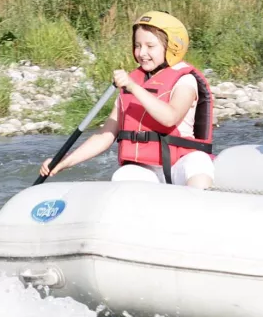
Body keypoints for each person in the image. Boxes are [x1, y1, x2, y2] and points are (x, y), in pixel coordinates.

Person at [39, 11, 215, 188]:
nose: (141, 53)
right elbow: (105, 136)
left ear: (172, 47)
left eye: (150, 46)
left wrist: (133, 87)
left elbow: (170, 117)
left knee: (198, 161)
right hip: (147, 170)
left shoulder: (185, 80)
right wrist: (64, 162)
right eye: (137, 45)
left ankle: (200, 203)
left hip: (181, 165)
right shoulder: (133, 83)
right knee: (124, 174)